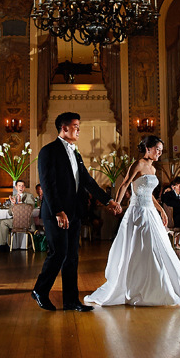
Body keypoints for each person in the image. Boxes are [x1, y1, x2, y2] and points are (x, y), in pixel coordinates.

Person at [85, 135, 180, 306]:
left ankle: (158, 286)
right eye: (157, 150)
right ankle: (135, 286)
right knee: (140, 248)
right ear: (148, 148)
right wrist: (116, 203)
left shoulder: (153, 169)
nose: (159, 153)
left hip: (151, 212)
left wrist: (161, 211)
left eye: (161, 150)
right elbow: (124, 184)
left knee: (157, 248)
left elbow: (149, 194)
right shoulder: (137, 164)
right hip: (137, 212)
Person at [31, 112, 121, 312]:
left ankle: (71, 301)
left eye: (79, 126)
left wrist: (109, 200)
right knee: (58, 253)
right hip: (56, 213)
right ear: (64, 128)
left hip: (74, 213)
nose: (79, 130)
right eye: (76, 126)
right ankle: (40, 290)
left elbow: (87, 182)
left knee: (72, 257)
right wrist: (58, 211)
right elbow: (48, 184)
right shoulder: (48, 151)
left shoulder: (76, 153)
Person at [0, 179, 36, 252]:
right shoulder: (13, 197)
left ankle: (2, 246)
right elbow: (10, 213)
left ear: (24, 187)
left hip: (25, 221)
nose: (21, 187)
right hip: (16, 219)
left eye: (22, 186)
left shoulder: (29, 196)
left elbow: (31, 208)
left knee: (4, 223)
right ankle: (1, 244)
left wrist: (20, 203)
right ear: (16, 187)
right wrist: (13, 204)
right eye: (19, 186)